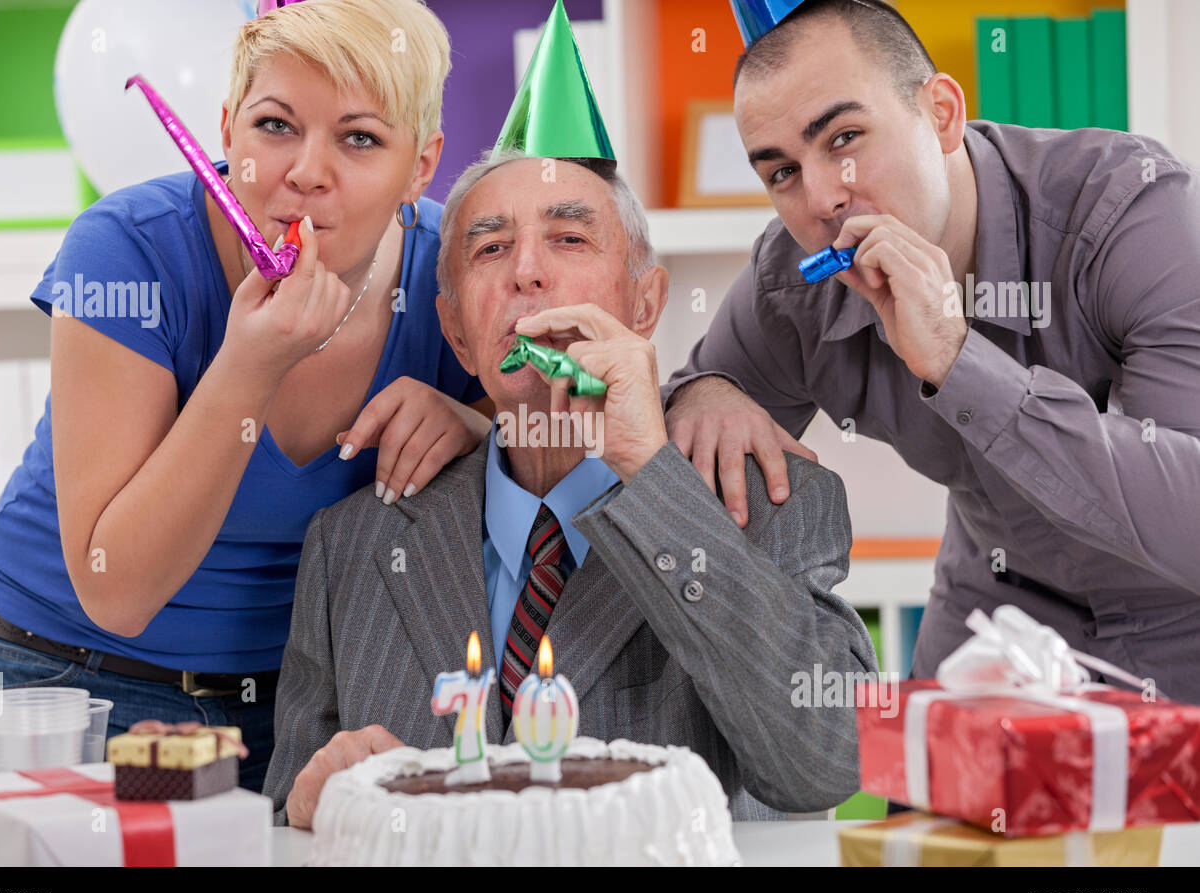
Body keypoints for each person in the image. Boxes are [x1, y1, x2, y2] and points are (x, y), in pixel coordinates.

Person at [0, 0, 494, 789]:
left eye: (360, 138)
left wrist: (474, 423)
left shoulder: (453, 265)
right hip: (71, 684)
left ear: (421, 164)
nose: (306, 171)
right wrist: (248, 369)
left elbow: (560, 423)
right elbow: (119, 591)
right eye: (275, 126)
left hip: (306, 701)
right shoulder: (125, 250)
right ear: (226, 130)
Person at [262, 152, 877, 827]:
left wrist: (648, 466)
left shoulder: (766, 502)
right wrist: (305, 803)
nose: (527, 271)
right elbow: (293, 809)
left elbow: (828, 761)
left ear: (645, 306)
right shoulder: (351, 544)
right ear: (458, 335)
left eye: (570, 239)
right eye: (492, 248)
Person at [663, 0, 1200, 702]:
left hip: (1182, 635)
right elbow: (689, 407)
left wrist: (957, 358)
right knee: (916, 815)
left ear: (942, 114)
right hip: (992, 628)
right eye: (781, 173)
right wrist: (704, 393)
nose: (823, 197)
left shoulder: (1133, 211)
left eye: (845, 137)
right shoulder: (792, 286)